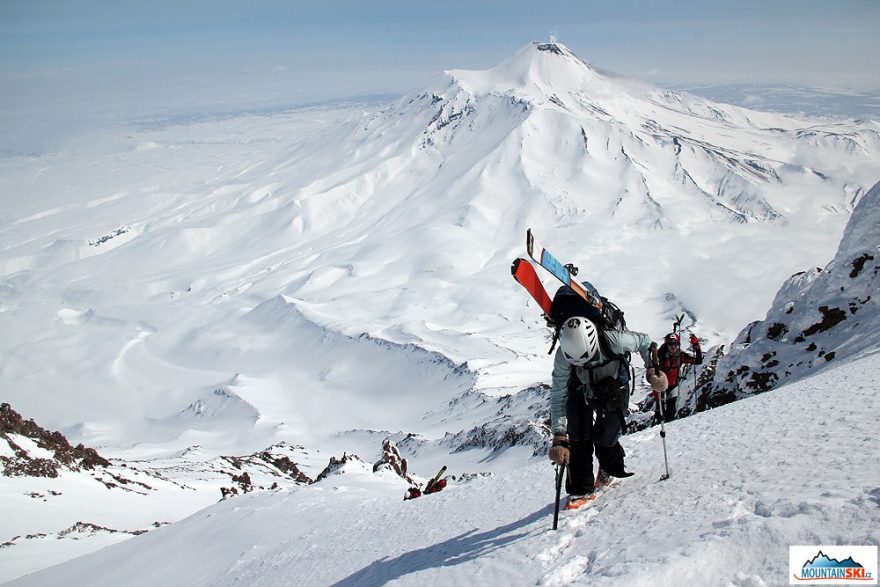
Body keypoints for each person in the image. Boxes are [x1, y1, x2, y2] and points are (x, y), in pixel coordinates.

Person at [548, 316, 668, 510]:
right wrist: (559, 434)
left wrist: (652, 370)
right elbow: (559, 393)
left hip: (614, 388)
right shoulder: (563, 354)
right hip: (581, 387)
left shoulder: (613, 340)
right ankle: (581, 489)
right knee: (578, 436)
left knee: (606, 437)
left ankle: (608, 469)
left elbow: (645, 342)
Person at [655, 332, 702, 422]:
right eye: (670, 344)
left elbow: (698, 361)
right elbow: (651, 364)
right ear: (666, 344)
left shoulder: (680, 356)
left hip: (673, 384)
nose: (673, 347)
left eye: (675, 344)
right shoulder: (660, 354)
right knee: (660, 412)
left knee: (671, 410)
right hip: (660, 385)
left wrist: (696, 345)